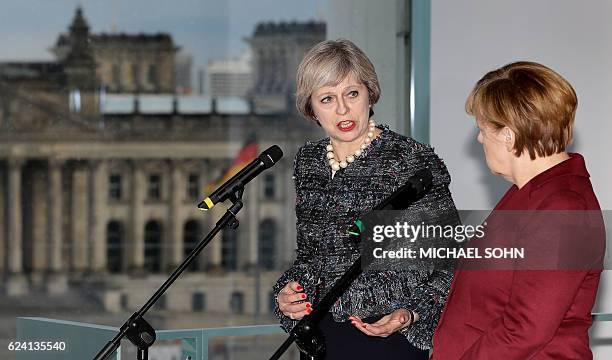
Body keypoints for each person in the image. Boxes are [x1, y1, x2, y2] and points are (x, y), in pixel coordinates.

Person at [272, 39, 458, 359]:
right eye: (327, 98)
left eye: (352, 94)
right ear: (311, 108)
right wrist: (289, 293)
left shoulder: (411, 161)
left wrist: (411, 313)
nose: (343, 109)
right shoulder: (309, 162)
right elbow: (312, 257)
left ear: (370, 94)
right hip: (320, 336)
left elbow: (452, 260)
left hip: (387, 336)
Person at [432, 61, 605, 359]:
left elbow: (525, 329)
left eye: (483, 129)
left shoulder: (562, 208)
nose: (479, 138)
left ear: (508, 135)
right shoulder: (531, 194)